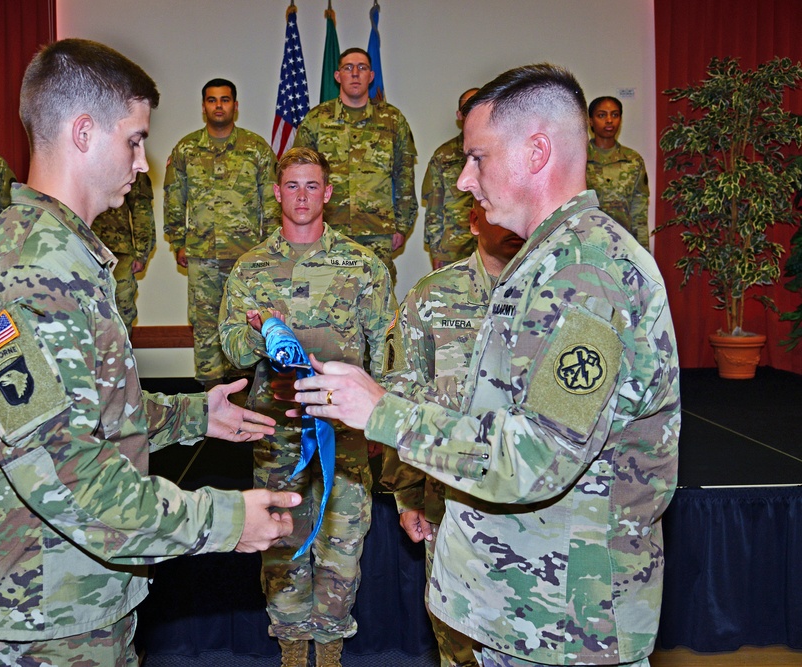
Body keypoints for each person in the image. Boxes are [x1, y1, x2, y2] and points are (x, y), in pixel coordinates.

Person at [293, 63, 681, 667]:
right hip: (520, 613)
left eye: (477, 158)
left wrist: (384, 414)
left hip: (566, 627)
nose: (464, 182)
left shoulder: (588, 275)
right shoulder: (548, 263)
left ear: (537, 151)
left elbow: (535, 458)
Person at [0, 39, 300, 666]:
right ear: (83, 132)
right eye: (134, 140)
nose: (142, 163)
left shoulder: (64, 256)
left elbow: (90, 406)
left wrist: (193, 417)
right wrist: (222, 519)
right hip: (35, 616)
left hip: (76, 596)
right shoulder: (26, 270)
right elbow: (61, 468)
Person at [219, 147, 394, 667]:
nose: (302, 196)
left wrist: (388, 428)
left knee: (343, 547)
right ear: (277, 192)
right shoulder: (251, 268)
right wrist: (259, 336)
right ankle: (293, 652)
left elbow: (384, 351)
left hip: (346, 432)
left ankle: (332, 651)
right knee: (282, 545)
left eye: (312, 186)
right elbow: (229, 347)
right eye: (292, 186)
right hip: (279, 435)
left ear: (329, 193)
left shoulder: (364, 266)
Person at [380, 199, 523, 667]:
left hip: (539, 510)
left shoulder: (558, 291)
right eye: (495, 213)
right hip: (453, 509)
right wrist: (407, 494)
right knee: (459, 646)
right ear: (473, 221)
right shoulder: (431, 297)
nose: (510, 225)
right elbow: (402, 400)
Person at [164, 78, 279, 388]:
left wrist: (270, 249)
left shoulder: (256, 149)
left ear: (235, 106)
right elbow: (175, 197)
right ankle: (210, 397)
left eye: (225, 100)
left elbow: (271, 201)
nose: (218, 106)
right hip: (202, 256)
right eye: (212, 100)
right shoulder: (186, 149)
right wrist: (177, 241)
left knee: (249, 323)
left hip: (248, 257)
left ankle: (246, 392)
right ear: (204, 107)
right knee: (204, 326)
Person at [293, 47, 417, 278]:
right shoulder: (316, 120)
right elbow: (299, 177)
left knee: (377, 302)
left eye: (362, 68)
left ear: (371, 76)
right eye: (348, 68)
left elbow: (404, 177)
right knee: (325, 300)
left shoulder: (392, 120)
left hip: (377, 231)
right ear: (338, 76)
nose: (355, 73)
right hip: (327, 229)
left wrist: (401, 226)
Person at [91, 170, 155, 331]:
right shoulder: (77, 157)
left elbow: (142, 211)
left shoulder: (128, 162)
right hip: (80, 247)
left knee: (121, 316)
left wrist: (141, 253)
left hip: (117, 254)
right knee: (85, 314)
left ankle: (120, 357)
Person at [423, 88, 480, 270]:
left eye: (478, 107)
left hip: (494, 246)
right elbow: (434, 209)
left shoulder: (503, 153)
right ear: (459, 115)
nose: (473, 113)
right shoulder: (443, 155)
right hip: (453, 248)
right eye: (467, 109)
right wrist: (436, 251)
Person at [586, 95, 651, 251]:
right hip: (587, 244)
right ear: (590, 121)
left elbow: (639, 213)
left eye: (615, 115)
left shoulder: (633, 160)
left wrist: (643, 253)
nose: (609, 120)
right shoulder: (578, 159)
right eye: (602, 115)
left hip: (623, 246)